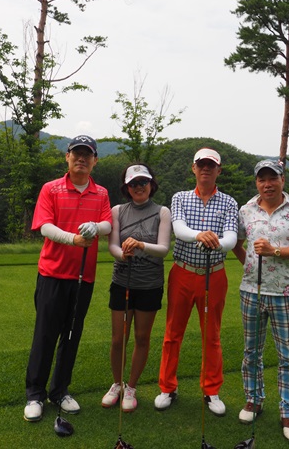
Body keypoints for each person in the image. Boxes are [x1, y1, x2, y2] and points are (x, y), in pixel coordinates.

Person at [24, 135, 112, 422]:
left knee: (72, 335)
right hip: (52, 273)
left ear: (95, 160)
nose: (81, 159)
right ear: (68, 157)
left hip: (83, 277)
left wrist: (96, 227)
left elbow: (108, 223)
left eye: (87, 155)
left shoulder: (101, 193)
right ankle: (35, 394)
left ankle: (59, 391)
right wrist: (74, 239)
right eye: (77, 153)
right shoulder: (51, 188)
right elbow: (45, 227)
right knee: (45, 335)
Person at [232, 159, 289, 442]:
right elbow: (237, 243)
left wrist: (274, 252)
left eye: (272, 178)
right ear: (257, 182)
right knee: (251, 352)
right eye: (262, 179)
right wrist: (249, 264)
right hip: (251, 291)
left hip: (285, 293)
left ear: (282, 180)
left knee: (287, 356)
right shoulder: (246, 210)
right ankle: (253, 400)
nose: (267, 184)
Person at [154, 147, 238, 416]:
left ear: (218, 170)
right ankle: (167, 387)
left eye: (211, 165)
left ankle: (211, 390)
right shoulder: (180, 197)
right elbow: (179, 230)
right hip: (182, 272)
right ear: (193, 168)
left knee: (212, 336)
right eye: (201, 165)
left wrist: (216, 242)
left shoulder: (229, 202)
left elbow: (231, 238)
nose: (206, 169)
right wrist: (201, 235)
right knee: (172, 334)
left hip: (214, 274)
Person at [101, 163, 172, 412]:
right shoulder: (118, 211)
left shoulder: (162, 212)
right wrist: (122, 254)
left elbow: (163, 249)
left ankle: (131, 386)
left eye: (143, 182)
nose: (139, 187)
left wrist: (141, 245)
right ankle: (117, 384)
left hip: (150, 284)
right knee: (118, 339)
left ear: (151, 185)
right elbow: (112, 245)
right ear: (127, 188)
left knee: (142, 338)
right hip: (122, 282)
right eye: (133, 183)